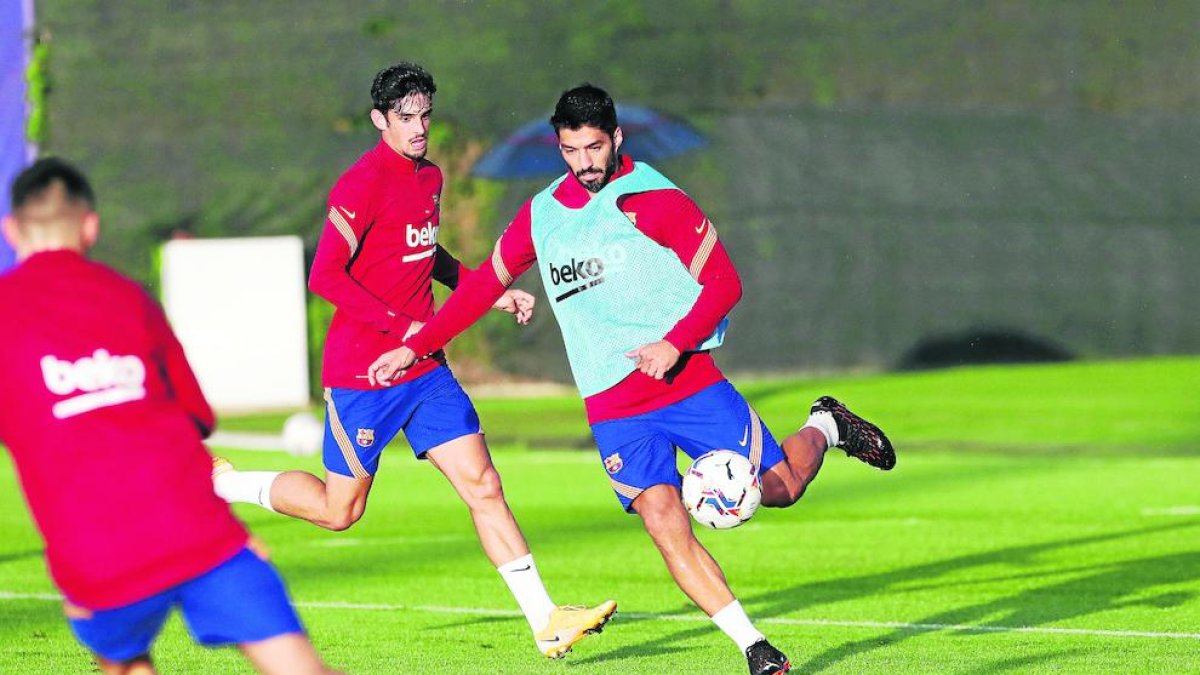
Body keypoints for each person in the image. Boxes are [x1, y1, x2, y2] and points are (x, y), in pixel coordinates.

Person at [368, 84, 897, 675]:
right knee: (665, 523)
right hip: (613, 409)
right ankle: (754, 647)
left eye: (594, 148)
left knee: (781, 487)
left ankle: (825, 425)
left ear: (616, 138)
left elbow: (725, 284)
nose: (585, 163)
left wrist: (673, 343)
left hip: (687, 383)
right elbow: (480, 289)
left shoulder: (654, 199)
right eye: (571, 151)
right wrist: (417, 346)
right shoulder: (541, 216)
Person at [211, 63, 615, 659]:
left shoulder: (428, 177)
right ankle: (226, 484)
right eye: (405, 117)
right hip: (363, 374)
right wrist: (404, 329)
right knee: (339, 509)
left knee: (484, 483)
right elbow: (324, 275)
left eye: (425, 114)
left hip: (424, 369)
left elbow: (426, 252)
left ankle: (546, 619)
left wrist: (485, 288)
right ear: (380, 121)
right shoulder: (360, 183)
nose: (419, 126)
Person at [0, 158, 337, 675]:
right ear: (91, 225)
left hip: (96, 552)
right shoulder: (128, 296)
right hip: (201, 531)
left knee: (125, 662)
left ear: (11, 230)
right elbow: (196, 416)